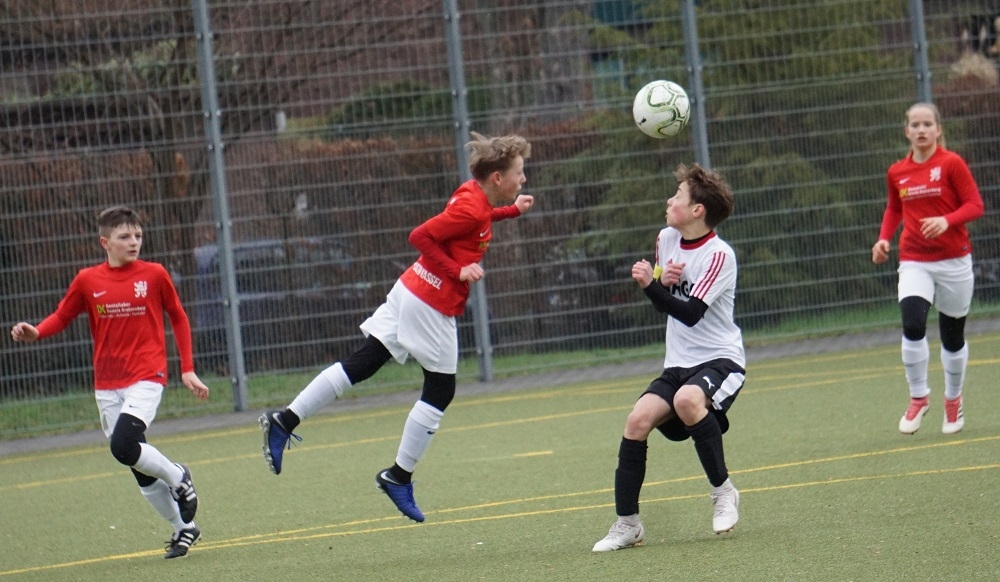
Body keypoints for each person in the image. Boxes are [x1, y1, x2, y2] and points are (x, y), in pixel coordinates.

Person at [259, 132, 533, 522]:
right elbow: (420, 236)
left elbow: (472, 223)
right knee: (440, 390)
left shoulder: (474, 196)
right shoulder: (472, 209)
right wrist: (457, 270)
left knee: (364, 362)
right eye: (519, 172)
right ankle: (398, 476)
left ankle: (284, 420)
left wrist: (511, 212)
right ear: (497, 178)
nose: (523, 178)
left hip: (411, 288)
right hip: (430, 302)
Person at [10, 206, 209, 559]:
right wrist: (36, 332)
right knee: (135, 463)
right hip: (107, 383)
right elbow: (62, 315)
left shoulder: (154, 274)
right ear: (105, 242)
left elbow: (178, 317)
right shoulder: (88, 280)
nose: (134, 242)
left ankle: (179, 476)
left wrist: (187, 368)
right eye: (124, 236)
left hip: (147, 375)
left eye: (138, 235)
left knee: (123, 445)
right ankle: (184, 528)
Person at [592, 163, 744, 552]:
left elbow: (691, 313)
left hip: (719, 360)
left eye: (677, 196)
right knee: (637, 420)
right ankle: (628, 524)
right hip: (677, 363)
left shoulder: (719, 255)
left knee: (688, 400)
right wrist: (660, 282)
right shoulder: (666, 238)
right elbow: (665, 300)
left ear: (697, 210)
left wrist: (650, 285)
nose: (669, 200)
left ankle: (723, 493)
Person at [872, 102, 984, 436]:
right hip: (915, 259)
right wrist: (883, 239)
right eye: (915, 125)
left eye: (927, 124)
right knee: (912, 323)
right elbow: (895, 208)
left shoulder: (951, 164)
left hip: (954, 261)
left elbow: (975, 205)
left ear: (938, 129)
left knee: (952, 337)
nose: (921, 130)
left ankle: (953, 399)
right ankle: (919, 396)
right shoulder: (897, 172)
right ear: (906, 131)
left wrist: (947, 220)